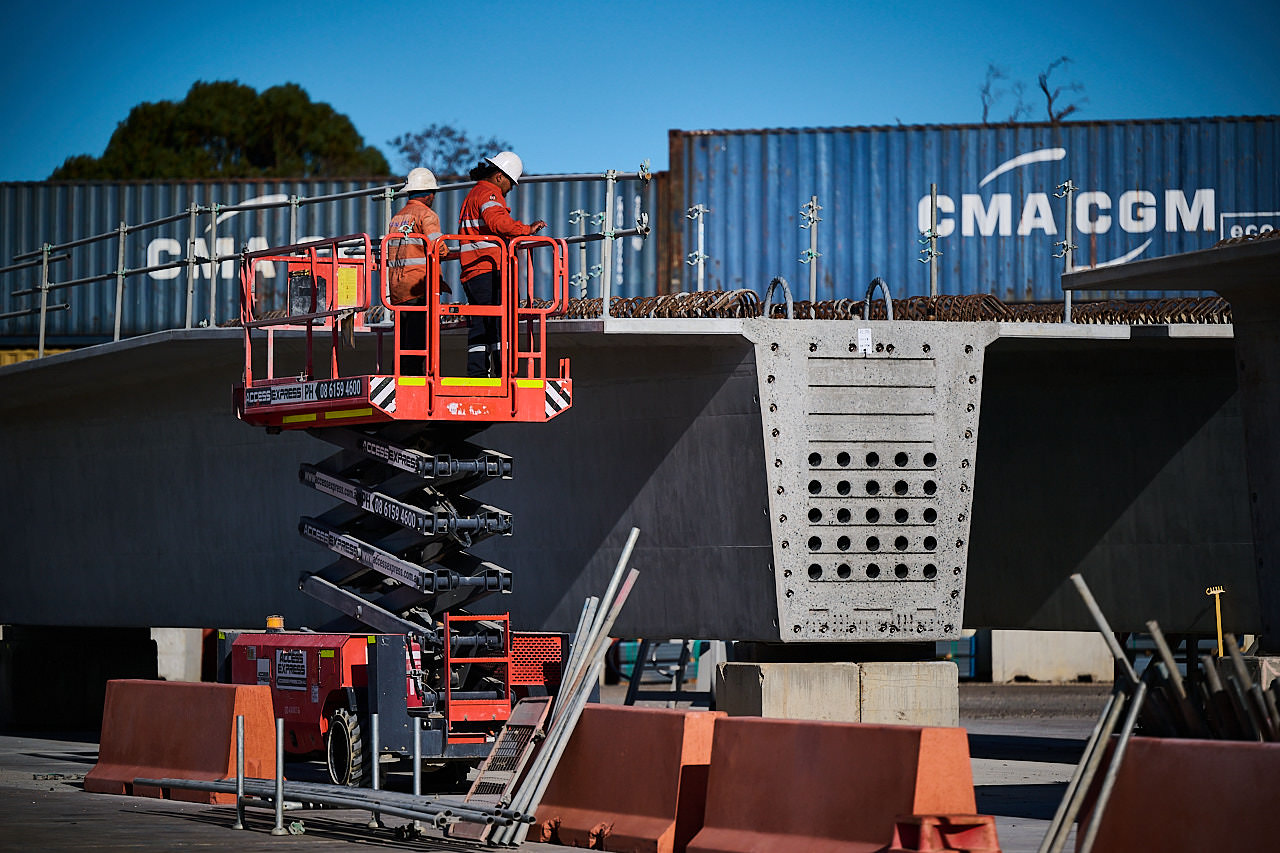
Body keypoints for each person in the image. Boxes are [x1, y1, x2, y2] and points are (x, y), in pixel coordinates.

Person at [457, 151, 547, 377]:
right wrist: (526, 230)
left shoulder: (474, 194)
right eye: (510, 183)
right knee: (500, 323)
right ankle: (503, 372)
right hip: (489, 270)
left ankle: (477, 372)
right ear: (499, 176)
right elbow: (499, 223)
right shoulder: (489, 194)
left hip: (473, 270)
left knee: (481, 322)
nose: (511, 188)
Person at [385, 167, 447, 375]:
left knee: (403, 343)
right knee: (419, 343)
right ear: (429, 194)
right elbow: (440, 248)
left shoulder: (397, 218)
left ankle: (400, 379)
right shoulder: (427, 215)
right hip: (420, 289)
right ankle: (414, 382)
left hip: (398, 290)